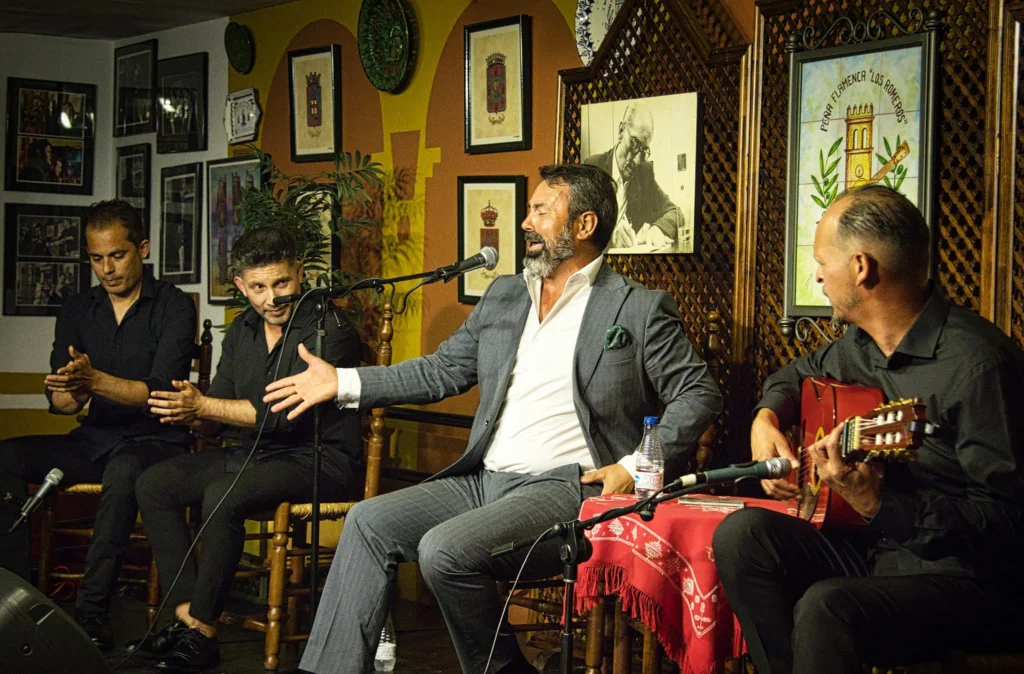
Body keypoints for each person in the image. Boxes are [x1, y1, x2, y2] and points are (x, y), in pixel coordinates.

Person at [264, 163, 724, 674]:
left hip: (568, 488)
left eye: (541, 211)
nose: (526, 222)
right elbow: (442, 369)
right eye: (528, 211)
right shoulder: (505, 295)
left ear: (585, 225)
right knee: (368, 522)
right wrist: (344, 382)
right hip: (483, 480)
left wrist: (635, 466)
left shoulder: (636, 308)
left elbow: (698, 393)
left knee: (445, 551)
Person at [713, 184, 1024, 674]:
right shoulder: (858, 346)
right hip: (877, 550)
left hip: (969, 579)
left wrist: (881, 505)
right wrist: (766, 417)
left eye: (822, 261)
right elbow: (793, 377)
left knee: (827, 607)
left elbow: (1009, 524)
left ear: (860, 267)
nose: (817, 275)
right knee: (742, 535)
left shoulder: (979, 366)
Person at [131, 226, 362, 673]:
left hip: (318, 458)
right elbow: (219, 407)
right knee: (155, 484)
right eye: (258, 287)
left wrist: (206, 406)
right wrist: (189, 411)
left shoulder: (329, 329)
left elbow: (283, 414)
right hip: (255, 453)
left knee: (225, 493)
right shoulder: (242, 330)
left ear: (300, 273)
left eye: (282, 283)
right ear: (241, 286)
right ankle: (187, 616)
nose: (272, 298)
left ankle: (203, 632)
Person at [0, 200, 197, 650]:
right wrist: (70, 391)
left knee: (124, 471)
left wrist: (94, 381)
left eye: (117, 255)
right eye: (96, 258)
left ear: (142, 249)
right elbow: (61, 400)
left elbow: (159, 391)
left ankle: (91, 613)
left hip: (156, 439)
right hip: (94, 439)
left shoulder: (173, 305)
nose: (107, 269)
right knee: (5, 455)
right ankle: (12, 596)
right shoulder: (78, 307)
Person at [583, 102, 682, 252]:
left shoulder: (644, 173)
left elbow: (674, 212)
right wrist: (609, 235)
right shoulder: (594, 167)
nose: (636, 160)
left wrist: (658, 228)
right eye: (634, 143)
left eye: (643, 150)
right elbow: (580, 227)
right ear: (621, 131)